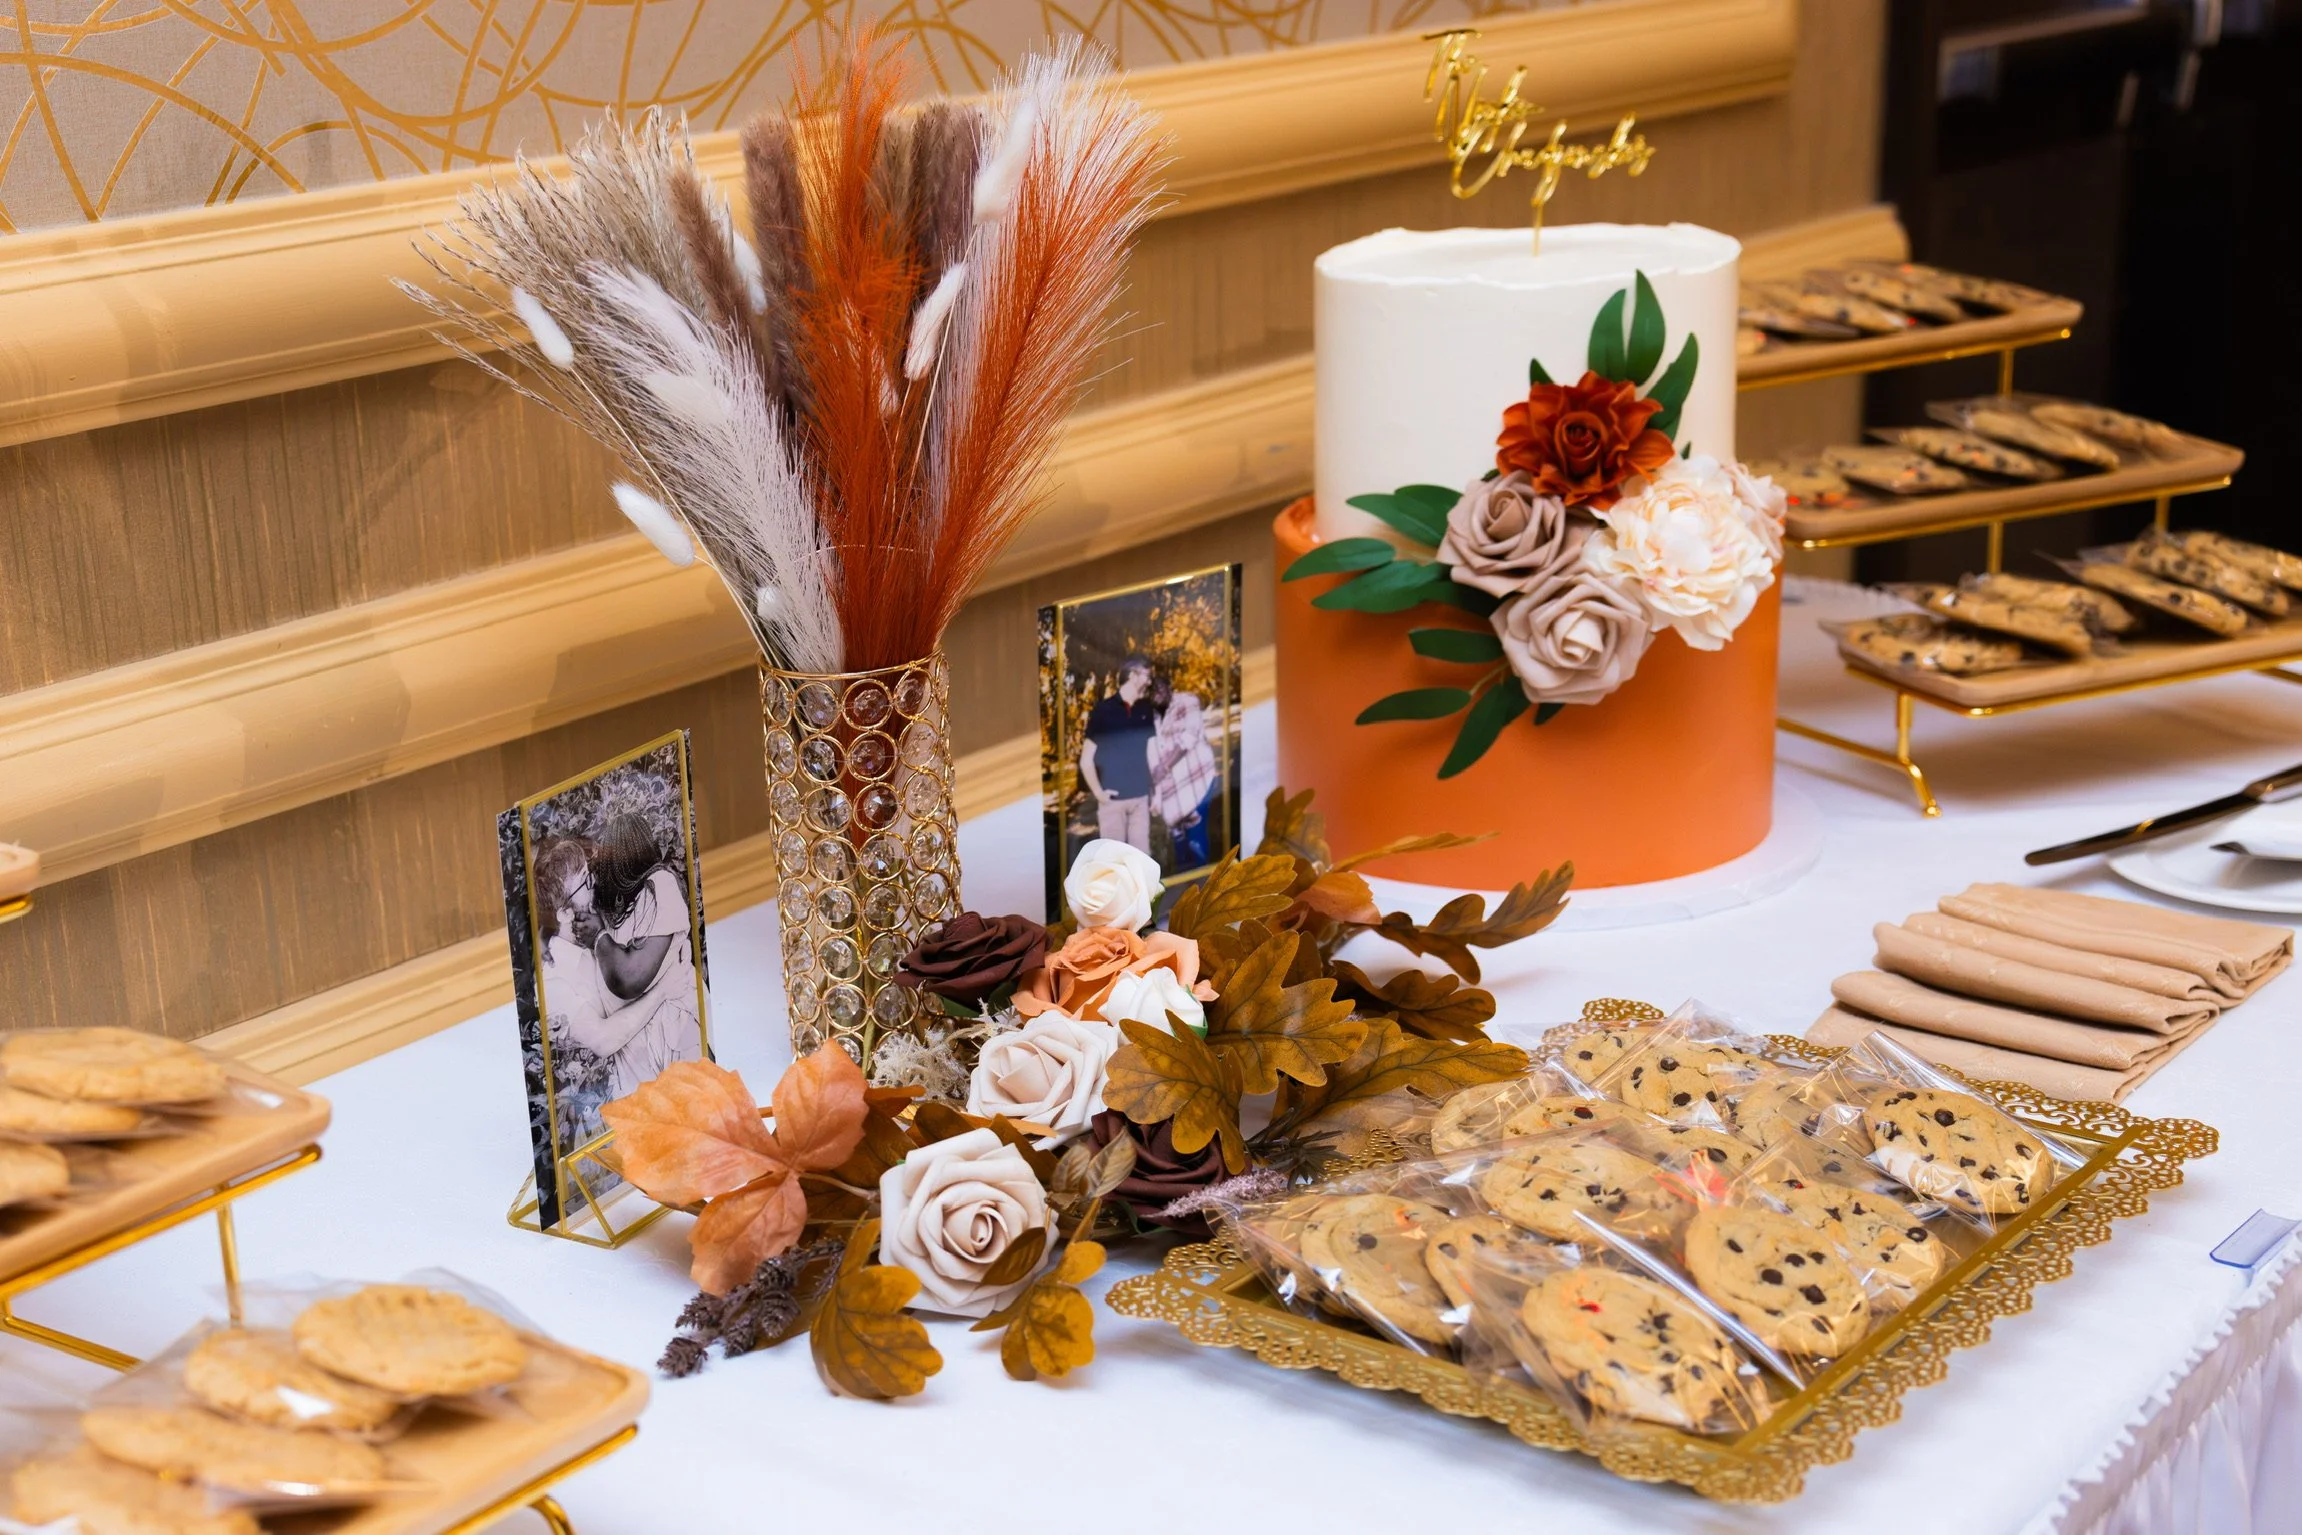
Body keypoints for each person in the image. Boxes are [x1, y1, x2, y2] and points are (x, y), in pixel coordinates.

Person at [560, 813, 701, 1099]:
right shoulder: (618, 907)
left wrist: (599, 937)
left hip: (676, 1040)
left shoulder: (660, 884)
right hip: (637, 1062)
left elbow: (628, 978)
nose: (598, 872)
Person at [1078, 657, 1159, 854]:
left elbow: (1152, 754)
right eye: (1147, 676)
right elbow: (1086, 760)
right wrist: (1099, 794)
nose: (1150, 682)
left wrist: (1157, 793)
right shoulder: (1103, 711)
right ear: (1132, 675)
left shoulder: (1145, 710)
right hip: (1112, 803)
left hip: (1140, 800)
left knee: (1141, 862)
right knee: (1115, 862)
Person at [1149, 686, 1218, 869]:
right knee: (1180, 847)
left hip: (1197, 783)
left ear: (1168, 685)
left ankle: (1202, 882)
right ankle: (1187, 883)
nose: (1156, 693)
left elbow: (1189, 738)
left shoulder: (1187, 701)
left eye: (1159, 687)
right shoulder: (1152, 714)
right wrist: (1155, 793)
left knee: (1196, 840)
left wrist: (1164, 766)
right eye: (1152, 690)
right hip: (1172, 795)